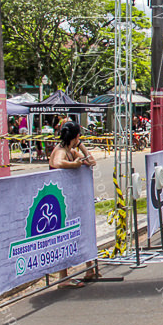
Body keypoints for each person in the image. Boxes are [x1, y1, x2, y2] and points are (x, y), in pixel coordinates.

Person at [49, 121, 97, 287]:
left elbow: (92, 161)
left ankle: (90, 268)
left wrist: (82, 147)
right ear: (76, 136)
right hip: (60, 202)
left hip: (73, 200)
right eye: (79, 137)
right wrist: (74, 165)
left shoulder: (72, 150)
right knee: (64, 237)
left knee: (82, 232)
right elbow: (57, 163)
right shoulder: (61, 150)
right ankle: (63, 277)